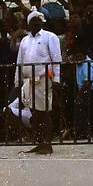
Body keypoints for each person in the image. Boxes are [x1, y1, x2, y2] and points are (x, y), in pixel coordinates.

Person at [14, 10, 62, 154]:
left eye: (39, 20)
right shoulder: (25, 40)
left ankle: (47, 143)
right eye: (34, 20)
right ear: (29, 23)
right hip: (28, 81)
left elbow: (56, 59)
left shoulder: (50, 37)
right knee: (34, 112)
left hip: (44, 79)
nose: (37, 22)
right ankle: (40, 142)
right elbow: (20, 62)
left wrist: (56, 78)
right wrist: (17, 82)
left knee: (44, 112)